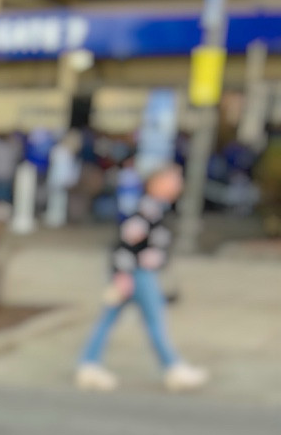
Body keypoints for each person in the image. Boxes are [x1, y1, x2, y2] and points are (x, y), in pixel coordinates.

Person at [75, 162, 208, 392]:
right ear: (156, 183)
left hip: (136, 274)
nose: (178, 185)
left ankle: (88, 364)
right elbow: (125, 244)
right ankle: (173, 367)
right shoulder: (147, 210)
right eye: (172, 179)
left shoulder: (157, 208)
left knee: (110, 318)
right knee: (154, 321)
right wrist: (122, 274)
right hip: (138, 275)